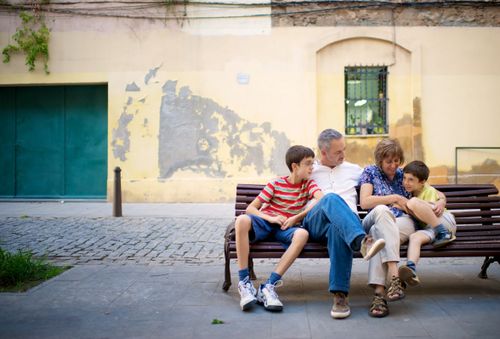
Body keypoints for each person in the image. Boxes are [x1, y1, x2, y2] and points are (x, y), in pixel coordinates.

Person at [303, 129, 386, 319]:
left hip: (345, 226)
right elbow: (284, 187)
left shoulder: (354, 170)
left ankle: (340, 296)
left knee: (337, 229)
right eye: (338, 152)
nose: (343, 155)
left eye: (344, 150)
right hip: (315, 223)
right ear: (323, 152)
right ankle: (361, 242)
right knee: (331, 198)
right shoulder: (310, 170)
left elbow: (383, 175)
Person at [234, 145, 322, 312]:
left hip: (286, 227)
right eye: (308, 163)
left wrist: (296, 218)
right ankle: (244, 283)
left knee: (302, 234)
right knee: (242, 221)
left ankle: (268, 286)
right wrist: (271, 218)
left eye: (313, 162)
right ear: (295, 166)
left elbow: (321, 199)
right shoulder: (276, 183)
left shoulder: (308, 184)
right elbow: (251, 209)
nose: (312, 167)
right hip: (267, 221)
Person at [358, 138, 418, 318]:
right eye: (388, 161)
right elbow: (365, 202)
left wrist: (442, 200)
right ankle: (394, 276)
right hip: (374, 218)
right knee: (382, 211)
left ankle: (379, 296)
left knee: (379, 236)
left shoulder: (405, 175)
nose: (393, 165)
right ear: (380, 160)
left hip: (400, 223)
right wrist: (394, 198)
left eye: (396, 160)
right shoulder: (370, 172)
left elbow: (419, 200)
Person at [397, 160, 456, 286]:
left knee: (412, 202)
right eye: (405, 178)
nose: (406, 182)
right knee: (415, 237)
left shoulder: (428, 190)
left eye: (411, 179)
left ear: (422, 181)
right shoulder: (414, 191)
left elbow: (429, 212)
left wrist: (405, 206)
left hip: (444, 221)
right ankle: (411, 268)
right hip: (431, 228)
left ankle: (443, 232)